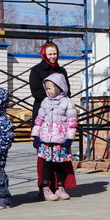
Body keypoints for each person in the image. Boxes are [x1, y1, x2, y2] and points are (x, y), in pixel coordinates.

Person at [29, 42, 76, 196]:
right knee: (45, 156)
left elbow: (67, 91)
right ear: (44, 54)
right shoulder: (36, 71)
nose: (52, 57)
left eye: (54, 53)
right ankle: (44, 186)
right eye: (49, 54)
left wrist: (61, 102)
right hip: (45, 117)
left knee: (61, 155)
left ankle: (60, 186)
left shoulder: (62, 71)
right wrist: (51, 99)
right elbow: (36, 92)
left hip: (60, 120)